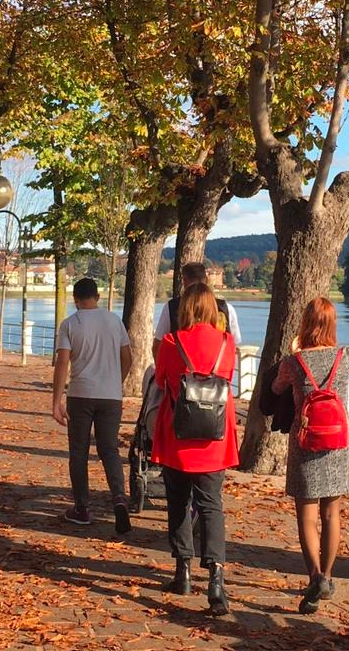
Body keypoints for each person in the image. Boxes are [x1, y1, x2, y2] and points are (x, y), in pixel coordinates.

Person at [270, 297, 349, 614]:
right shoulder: (344, 356)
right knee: (332, 513)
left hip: (305, 442)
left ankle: (314, 576)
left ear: (305, 324)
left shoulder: (294, 362)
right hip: (338, 443)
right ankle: (328, 576)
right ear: (333, 325)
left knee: (307, 516)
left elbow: (277, 389)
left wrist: (294, 353)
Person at [151, 282, 238, 616]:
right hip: (214, 436)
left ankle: (182, 570)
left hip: (179, 435)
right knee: (212, 505)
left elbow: (161, 382)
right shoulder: (227, 344)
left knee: (178, 502)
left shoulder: (173, 342)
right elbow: (229, 379)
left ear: (186, 308)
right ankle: (216, 578)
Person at [51, 278, 134, 535]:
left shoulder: (70, 324)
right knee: (109, 449)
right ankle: (119, 498)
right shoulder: (114, 321)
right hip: (111, 396)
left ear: (75, 299)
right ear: (97, 296)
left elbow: (62, 363)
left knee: (79, 451)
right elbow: (128, 358)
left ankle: (82, 508)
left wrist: (56, 400)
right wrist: (115, 381)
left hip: (81, 394)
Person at [153, 262, 241, 358]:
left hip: (181, 369)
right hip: (217, 369)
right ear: (206, 280)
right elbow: (234, 345)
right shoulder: (227, 309)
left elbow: (157, 346)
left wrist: (162, 370)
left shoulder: (171, 307)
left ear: (184, 281)